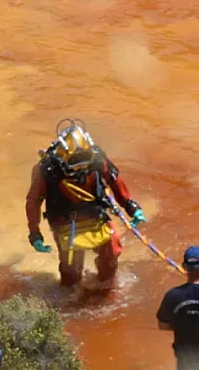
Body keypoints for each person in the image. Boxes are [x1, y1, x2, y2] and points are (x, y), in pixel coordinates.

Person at [25, 120, 145, 289]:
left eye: (84, 160)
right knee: (71, 272)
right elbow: (33, 200)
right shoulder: (46, 169)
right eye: (75, 162)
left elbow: (114, 179)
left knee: (111, 255)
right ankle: (70, 295)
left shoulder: (97, 158)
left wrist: (132, 207)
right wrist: (34, 232)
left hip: (95, 215)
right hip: (64, 221)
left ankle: (106, 288)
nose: (81, 167)